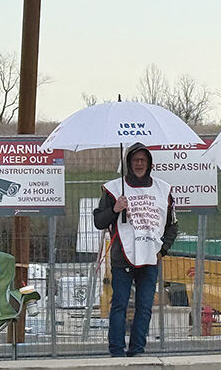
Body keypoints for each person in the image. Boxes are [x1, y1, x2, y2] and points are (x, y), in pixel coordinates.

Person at [93, 143, 178, 358]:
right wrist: (115, 209)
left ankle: (137, 350)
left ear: (149, 163)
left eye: (143, 160)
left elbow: (172, 225)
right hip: (123, 258)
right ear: (128, 163)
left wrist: (163, 250)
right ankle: (116, 351)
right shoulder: (113, 189)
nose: (139, 164)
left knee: (145, 307)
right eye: (135, 160)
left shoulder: (163, 189)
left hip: (151, 257)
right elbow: (99, 221)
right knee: (119, 305)